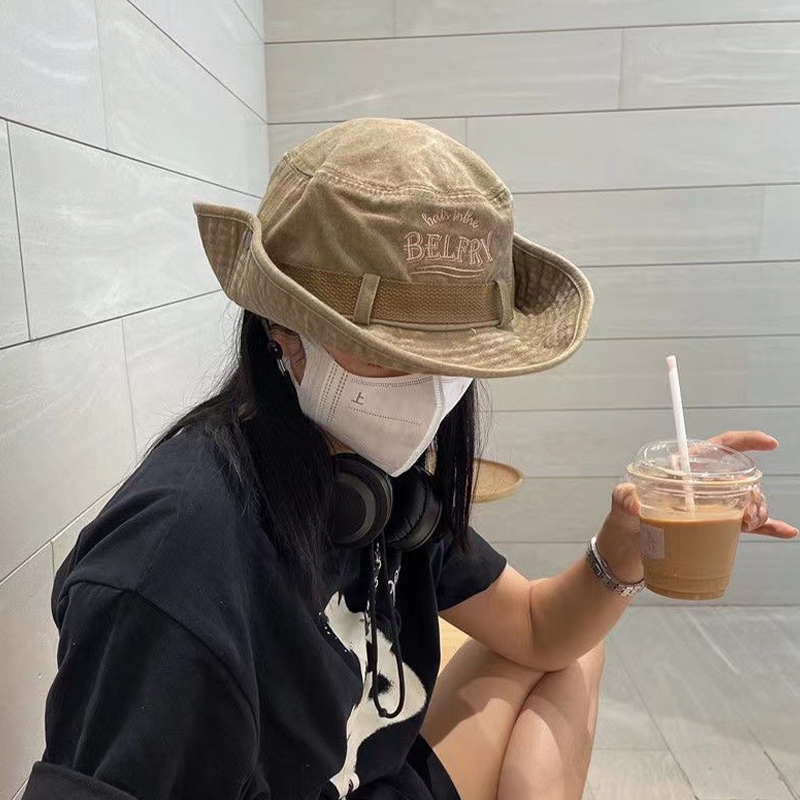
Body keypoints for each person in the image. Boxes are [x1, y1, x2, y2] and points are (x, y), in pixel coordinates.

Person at [21, 118, 797, 800]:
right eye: (390, 352)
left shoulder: (386, 492)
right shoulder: (172, 565)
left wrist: (627, 541)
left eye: (453, 357)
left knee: (575, 655)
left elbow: (538, 626)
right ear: (282, 331)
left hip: (373, 778)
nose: (429, 393)